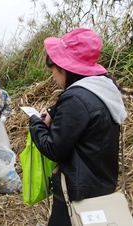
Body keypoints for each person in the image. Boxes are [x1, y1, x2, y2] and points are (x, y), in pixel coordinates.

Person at [29, 28, 127, 226]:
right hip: (102, 186)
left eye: (53, 72)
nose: (54, 77)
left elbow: (54, 149)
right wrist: (54, 112)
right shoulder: (104, 89)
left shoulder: (74, 98)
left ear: (64, 69)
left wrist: (35, 123)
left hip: (76, 192)